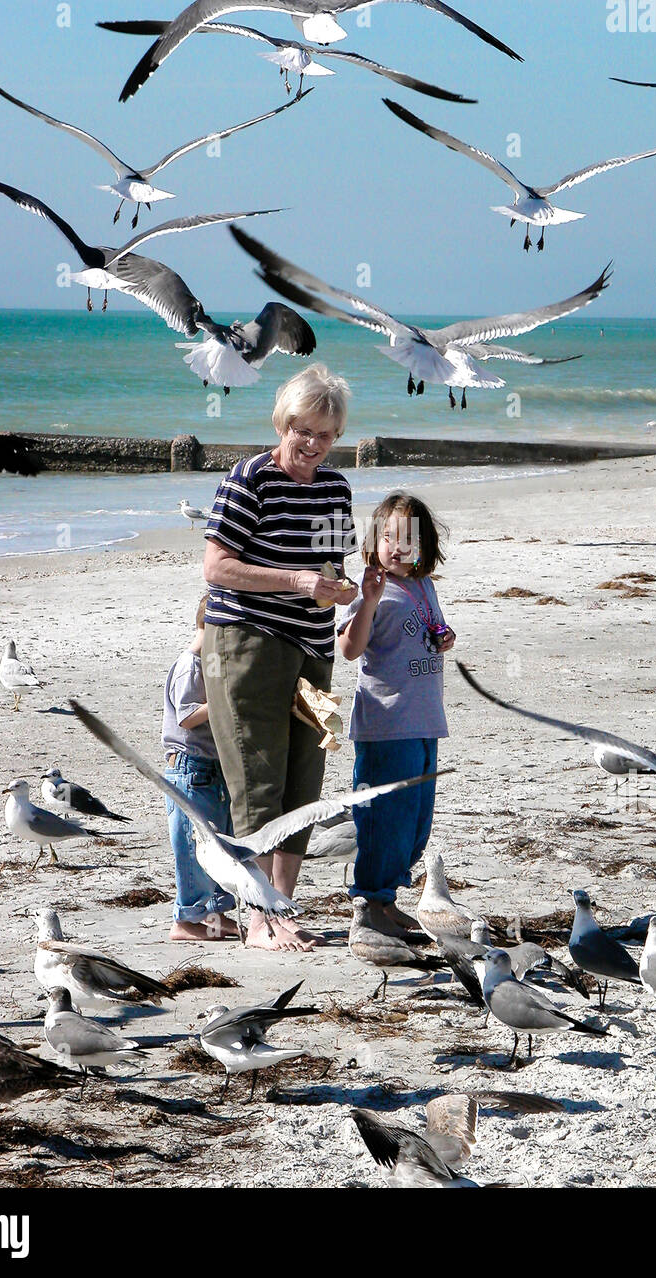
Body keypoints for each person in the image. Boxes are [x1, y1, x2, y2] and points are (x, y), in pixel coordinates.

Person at [202, 365, 358, 953]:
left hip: (314, 645)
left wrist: (341, 590)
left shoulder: (335, 488)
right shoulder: (249, 480)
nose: (313, 445)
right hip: (249, 642)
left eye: (326, 435)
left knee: (304, 783)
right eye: (304, 431)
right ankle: (255, 916)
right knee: (256, 779)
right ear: (284, 423)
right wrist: (296, 581)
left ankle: (282, 907)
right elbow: (217, 568)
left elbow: (330, 569)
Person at [337, 493, 455, 934]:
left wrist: (444, 637)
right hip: (386, 724)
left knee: (415, 820)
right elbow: (350, 649)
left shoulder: (423, 585)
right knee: (385, 817)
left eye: (407, 539)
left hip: (424, 720)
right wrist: (368, 600)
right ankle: (370, 903)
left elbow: (427, 629)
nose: (397, 547)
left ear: (424, 544)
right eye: (388, 537)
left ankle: (387, 898)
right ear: (375, 541)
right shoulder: (373, 588)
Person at [162, 595, 237, 942]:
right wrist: (220, 701)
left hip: (211, 768)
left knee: (217, 841)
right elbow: (188, 716)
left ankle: (215, 913)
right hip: (188, 769)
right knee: (192, 847)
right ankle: (188, 918)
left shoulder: (212, 663)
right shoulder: (189, 665)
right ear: (207, 628)